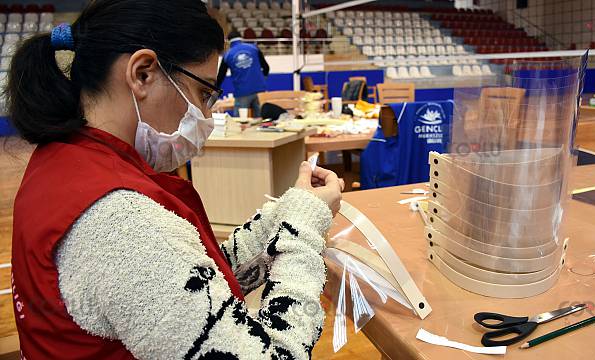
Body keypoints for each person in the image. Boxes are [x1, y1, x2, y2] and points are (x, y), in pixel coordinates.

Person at [7, 1, 343, 359]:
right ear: (142, 74)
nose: (207, 115)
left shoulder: (64, 161)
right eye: (203, 93)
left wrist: (288, 214)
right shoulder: (120, 220)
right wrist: (303, 230)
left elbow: (192, 287)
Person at [216, 30, 270, 118]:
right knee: (261, 121)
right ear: (241, 38)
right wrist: (262, 81)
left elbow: (221, 76)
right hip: (260, 91)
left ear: (229, 41)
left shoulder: (228, 55)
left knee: (240, 123)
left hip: (242, 93)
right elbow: (266, 68)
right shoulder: (254, 48)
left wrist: (215, 92)